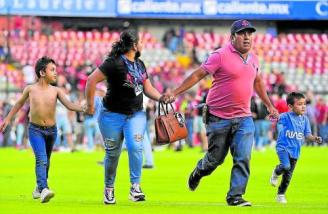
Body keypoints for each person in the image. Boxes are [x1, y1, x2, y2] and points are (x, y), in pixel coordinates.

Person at [163, 19, 279, 206]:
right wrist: (175, 93)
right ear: (233, 37)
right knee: (214, 160)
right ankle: (199, 171)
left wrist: (269, 105)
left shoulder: (254, 59)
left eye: (250, 33)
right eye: (242, 33)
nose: (247, 37)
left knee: (243, 157)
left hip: (244, 117)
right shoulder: (220, 55)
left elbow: (257, 82)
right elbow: (197, 75)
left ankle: (235, 196)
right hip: (218, 117)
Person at [85, 29, 163, 204]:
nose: (143, 44)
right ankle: (109, 188)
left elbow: (147, 88)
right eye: (141, 41)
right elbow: (91, 81)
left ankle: (135, 187)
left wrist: (161, 98)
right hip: (111, 115)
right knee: (113, 154)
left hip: (135, 114)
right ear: (134, 45)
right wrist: (90, 106)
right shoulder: (113, 63)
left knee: (136, 147)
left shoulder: (140, 64)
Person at [0, 56, 85, 203]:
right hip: (35, 130)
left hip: (52, 131)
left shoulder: (56, 90)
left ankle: (38, 188)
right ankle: (44, 188)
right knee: (41, 159)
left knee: (47, 160)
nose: (55, 73)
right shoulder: (30, 89)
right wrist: (7, 119)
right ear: (42, 73)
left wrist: (85, 108)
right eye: (52, 70)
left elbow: (70, 105)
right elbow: (19, 104)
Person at [270, 92, 322, 203]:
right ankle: (276, 171)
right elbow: (276, 118)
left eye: (304, 104)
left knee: (288, 175)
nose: (303, 106)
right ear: (290, 106)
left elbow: (307, 135)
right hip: (283, 147)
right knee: (286, 166)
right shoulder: (287, 116)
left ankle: (281, 194)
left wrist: (314, 138)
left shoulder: (305, 120)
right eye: (299, 104)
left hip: (295, 151)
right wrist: (274, 115)